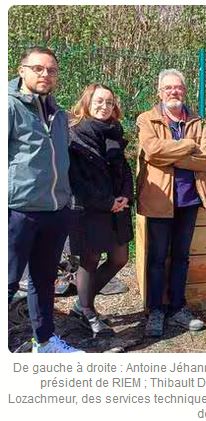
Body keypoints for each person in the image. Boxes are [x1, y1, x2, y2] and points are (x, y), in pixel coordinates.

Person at [8, 47, 83, 352]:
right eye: (38, 69)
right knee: (9, 281)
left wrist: (66, 201)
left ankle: (44, 340)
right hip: (19, 211)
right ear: (22, 70)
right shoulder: (10, 107)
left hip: (55, 211)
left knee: (43, 279)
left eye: (51, 70)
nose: (45, 75)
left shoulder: (59, 113)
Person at [137, 69, 206, 337]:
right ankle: (156, 310)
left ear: (184, 91)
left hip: (189, 199)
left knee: (181, 257)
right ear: (159, 92)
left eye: (178, 88)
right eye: (168, 88)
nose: (174, 92)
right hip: (159, 198)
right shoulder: (147, 119)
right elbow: (151, 150)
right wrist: (188, 145)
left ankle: (178, 308)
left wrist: (172, 153)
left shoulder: (198, 122)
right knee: (157, 258)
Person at [67, 83, 133, 335]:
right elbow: (76, 180)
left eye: (109, 102)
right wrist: (107, 202)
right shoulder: (75, 133)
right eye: (99, 101)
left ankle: (80, 303)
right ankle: (86, 310)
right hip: (89, 208)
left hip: (118, 207)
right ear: (87, 102)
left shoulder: (115, 130)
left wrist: (126, 196)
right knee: (90, 260)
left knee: (120, 258)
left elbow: (123, 169)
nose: (104, 106)